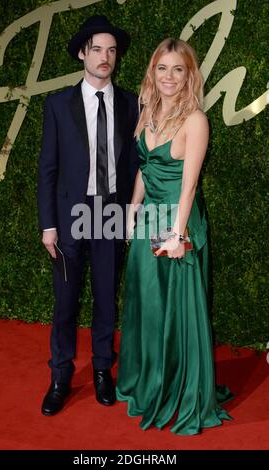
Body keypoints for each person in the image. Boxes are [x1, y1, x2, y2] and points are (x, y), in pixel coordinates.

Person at [116, 38, 233, 435]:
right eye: (162, 68)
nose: (168, 77)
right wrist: (132, 213)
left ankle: (180, 390)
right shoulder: (147, 110)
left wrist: (176, 236)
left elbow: (189, 186)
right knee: (148, 306)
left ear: (189, 75)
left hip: (177, 224)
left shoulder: (195, 120)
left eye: (177, 69)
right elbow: (144, 170)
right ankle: (149, 382)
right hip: (148, 220)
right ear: (153, 71)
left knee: (176, 312)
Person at [38, 15, 138, 416]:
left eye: (111, 50)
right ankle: (60, 376)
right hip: (68, 217)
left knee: (105, 301)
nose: (105, 57)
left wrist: (133, 214)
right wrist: (48, 224)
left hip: (110, 214)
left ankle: (101, 371)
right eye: (97, 49)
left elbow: (135, 165)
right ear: (83, 53)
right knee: (65, 302)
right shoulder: (58, 104)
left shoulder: (132, 103)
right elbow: (47, 167)